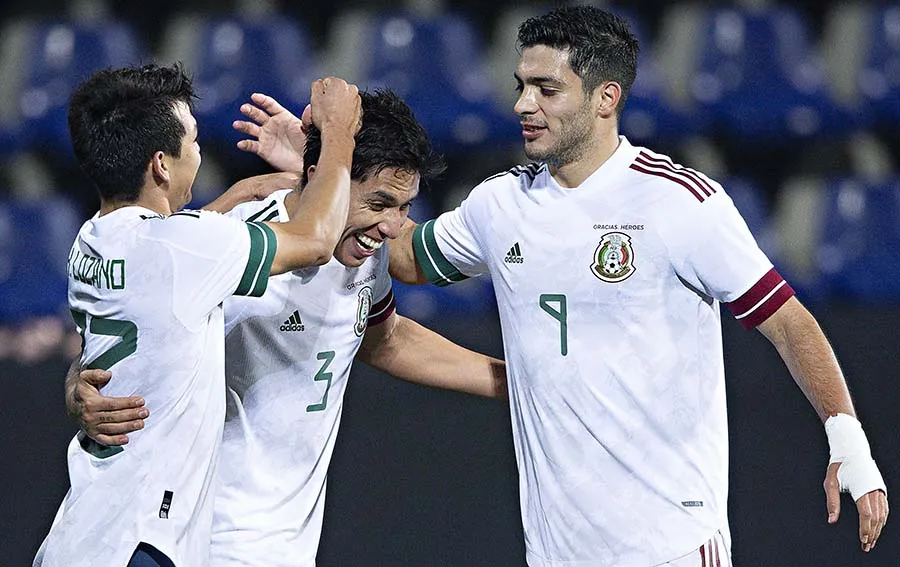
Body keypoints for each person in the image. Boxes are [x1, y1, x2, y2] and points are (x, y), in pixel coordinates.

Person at [228, 6, 889, 566]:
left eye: (547, 89)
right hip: (554, 551)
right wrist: (323, 178)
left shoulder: (683, 202)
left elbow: (789, 321)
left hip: (669, 545)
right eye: (520, 85)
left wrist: (848, 438)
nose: (523, 104)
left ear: (606, 98)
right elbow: (401, 254)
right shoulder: (499, 205)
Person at [67, 89, 507, 567]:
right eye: (381, 203)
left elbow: (386, 339)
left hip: (290, 544)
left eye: (403, 207)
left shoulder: (365, 254)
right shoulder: (234, 238)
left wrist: (511, 380)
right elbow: (142, 315)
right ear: (327, 180)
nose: (394, 226)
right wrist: (79, 383)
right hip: (209, 538)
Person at [34, 63, 363, 567]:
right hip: (140, 539)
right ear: (162, 165)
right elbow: (317, 241)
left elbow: (193, 236)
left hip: (83, 532)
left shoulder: (94, 239)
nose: (201, 149)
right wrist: (338, 135)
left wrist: (281, 181)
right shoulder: (182, 251)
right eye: (192, 138)